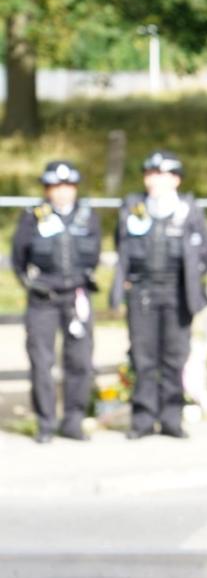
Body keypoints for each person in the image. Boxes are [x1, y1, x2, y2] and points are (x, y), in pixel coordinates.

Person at [110, 150, 207, 439]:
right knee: (143, 358)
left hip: (177, 294)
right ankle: (142, 420)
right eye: (149, 174)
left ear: (175, 180)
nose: (152, 180)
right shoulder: (133, 208)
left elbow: (206, 249)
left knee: (174, 357)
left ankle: (171, 418)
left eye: (160, 174)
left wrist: (193, 278)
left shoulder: (189, 210)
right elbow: (121, 244)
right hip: (143, 293)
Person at [11, 161, 101, 443]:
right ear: (47, 189)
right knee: (41, 362)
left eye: (67, 186)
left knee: (80, 361)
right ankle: (46, 424)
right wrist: (32, 284)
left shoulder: (88, 216)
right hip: (43, 300)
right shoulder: (33, 217)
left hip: (76, 298)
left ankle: (73, 421)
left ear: (75, 188)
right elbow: (18, 257)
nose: (62, 192)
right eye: (56, 187)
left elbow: (95, 254)